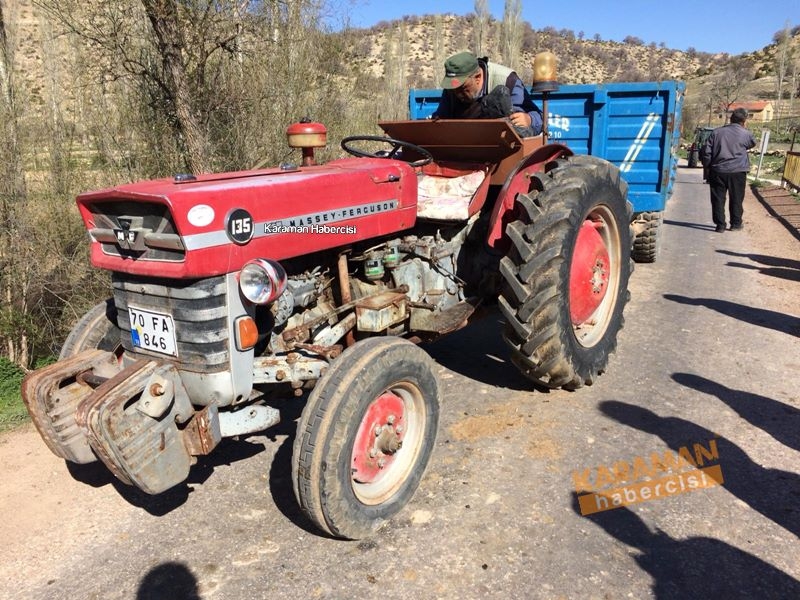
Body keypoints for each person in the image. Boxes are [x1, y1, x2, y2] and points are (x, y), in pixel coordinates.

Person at [431, 51, 543, 137]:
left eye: (463, 88)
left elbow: (540, 118)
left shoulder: (507, 80)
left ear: (478, 77)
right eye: (454, 89)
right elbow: (440, 122)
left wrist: (529, 119)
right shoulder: (453, 88)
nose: (458, 94)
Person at [700, 107, 756, 232]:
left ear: (731, 119)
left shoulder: (716, 132)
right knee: (736, 198)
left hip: (718, 170)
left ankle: (720, 225)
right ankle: (736, 224)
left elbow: (706, 152)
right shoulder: (745, 134)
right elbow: (752, 143)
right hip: (738, 171)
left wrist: (708, 167)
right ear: (744, 121)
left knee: (718, 199)